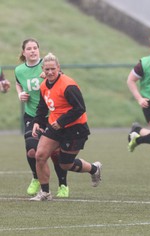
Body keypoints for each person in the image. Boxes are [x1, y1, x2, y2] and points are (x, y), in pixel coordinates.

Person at [29, 52, 102, 201]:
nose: (50, 72)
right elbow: (42, 107)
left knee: (65, 164)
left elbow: (80, 108)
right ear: (43, 69)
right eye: (47, 69)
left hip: (75, 128)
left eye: (52, 69)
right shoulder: (43, 85)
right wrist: (38, 121)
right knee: (40, 155)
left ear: (58, 68)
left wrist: (61, 121)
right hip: (55, 127)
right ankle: (45, 193)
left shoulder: (68, 85)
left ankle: (94, 169)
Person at [14, 38, 69, 198]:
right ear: (24, 52)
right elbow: (18, 83)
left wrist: (49, 76)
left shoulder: (46, 66)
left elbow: (61, 79)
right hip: (32, 114)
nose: (32, 51)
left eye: (35, 48)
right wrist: (20, 94)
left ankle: (63, 184)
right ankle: (36, 178)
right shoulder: (19, 70)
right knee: (32, 151)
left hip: (52, 115)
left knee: (56, 153)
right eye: (29, 48)